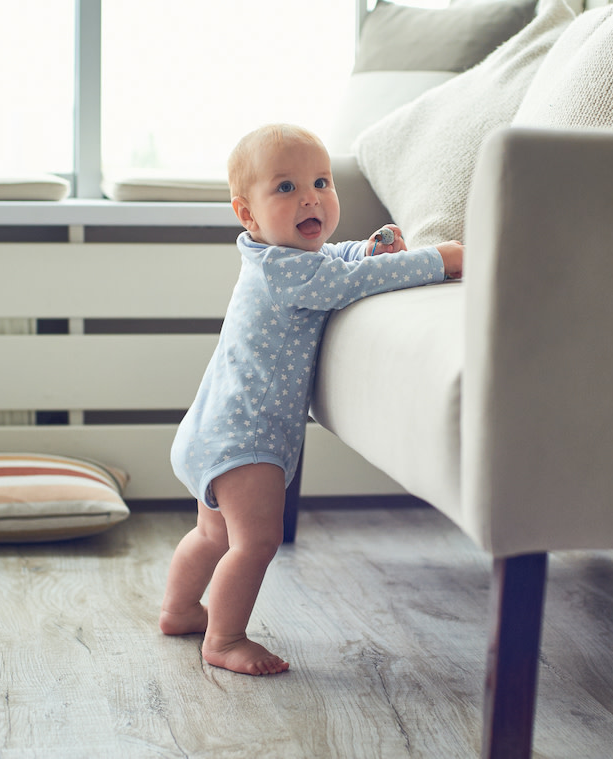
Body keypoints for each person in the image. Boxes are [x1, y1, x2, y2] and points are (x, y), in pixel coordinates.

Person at [160, 123, 464, 675]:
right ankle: (224, 640)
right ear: (246, 214)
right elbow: (346, 283)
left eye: (322, 181)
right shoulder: (288, 275)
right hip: (248, 440)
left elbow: (334, 260)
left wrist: (366, 248)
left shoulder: (278, 259)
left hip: (213, 428)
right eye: (286, 187)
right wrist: (438, 260)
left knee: (211, 533)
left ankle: (180, 609)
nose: (311, 196)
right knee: (254, 544)